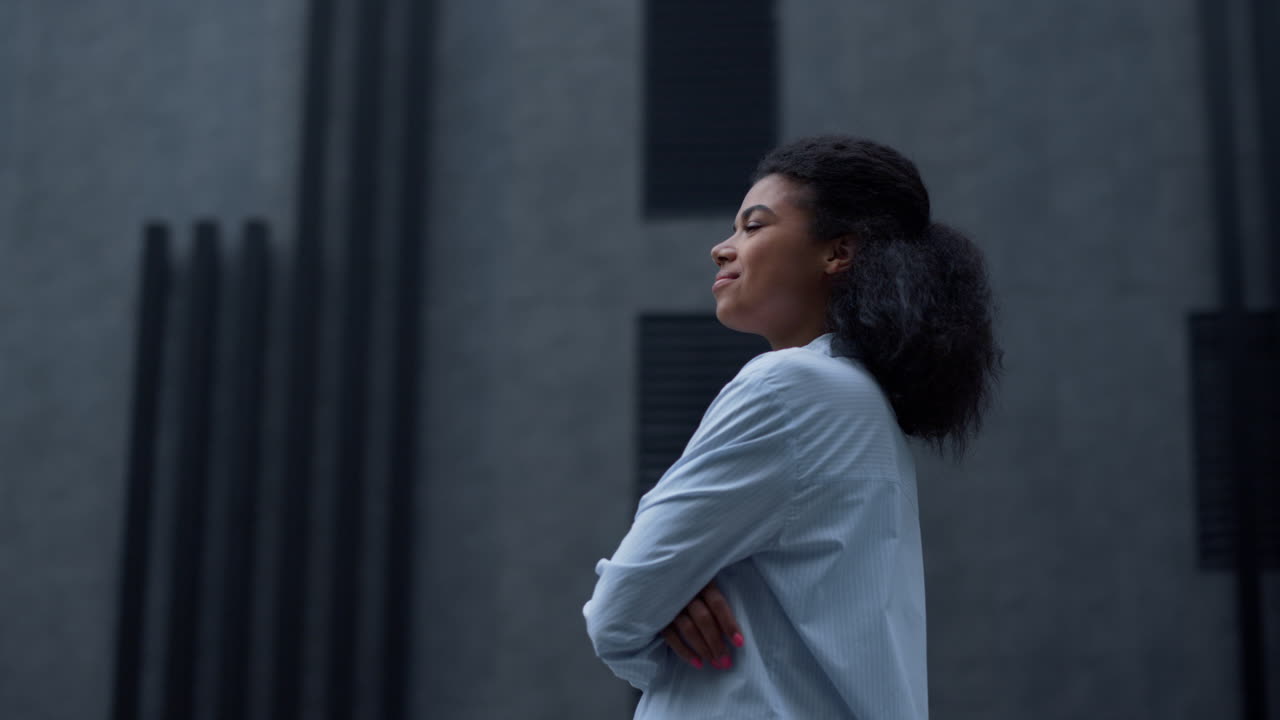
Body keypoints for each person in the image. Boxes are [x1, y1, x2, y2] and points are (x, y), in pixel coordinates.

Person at [583, 135, 1001, 718]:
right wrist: (665, 595)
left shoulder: (785, 387)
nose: (721, 249)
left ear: (838, 252)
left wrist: (661, 615)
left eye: (753, 227)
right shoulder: (859, 401)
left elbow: (617, 609)